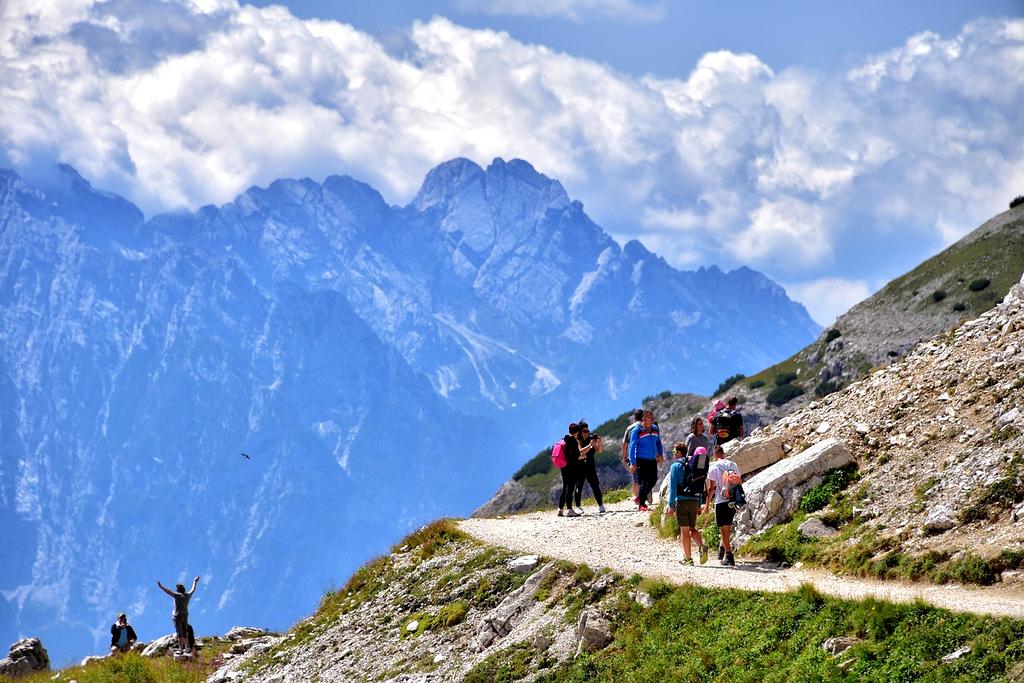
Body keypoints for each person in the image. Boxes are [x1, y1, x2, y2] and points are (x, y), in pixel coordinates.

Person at [667, 443, 709, 565]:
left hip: (682, 501)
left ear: (679, 452)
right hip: (694, 501)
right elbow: (699, 485)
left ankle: (688, 559)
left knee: (684, 531)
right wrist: (699, 504)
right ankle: (702, 546)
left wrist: (671, 505)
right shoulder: (692, 464)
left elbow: (673, 487)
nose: (673, 453)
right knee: (692, 529)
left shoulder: (675, 466)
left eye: (674, 451)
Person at [705, 445, 741, 566]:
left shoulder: (713, 467)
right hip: (732, 500)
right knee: (727, 528)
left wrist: (707, 505)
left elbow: (711, 489)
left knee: (724, 530)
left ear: (715, 455)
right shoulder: (733, 464)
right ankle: (722, 549)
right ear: (723, 454)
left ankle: (729, 556)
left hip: (721, 501)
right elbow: (739, 481)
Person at [628, 410, 663, 512]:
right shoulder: (637, 430)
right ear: (643, 419)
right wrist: (632, 463)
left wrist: (660, 454)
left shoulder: (655, 429)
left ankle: (640, 497)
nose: (651, 421)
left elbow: (658, 443)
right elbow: (632, 447)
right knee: (644, 481)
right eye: (649, 419)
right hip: (641, 459)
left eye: (652, 419)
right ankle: (642, 504)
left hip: (652, 459)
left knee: (653, 479)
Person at [157, 576, 200, 654]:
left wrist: (161, 587)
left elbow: (168, 592)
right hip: (185, 615)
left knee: (179, 633)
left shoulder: (177, 595)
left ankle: (180, 649)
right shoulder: (188, 595)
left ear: (178, 590)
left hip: (177, 616)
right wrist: (195, 581)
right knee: (185, 631)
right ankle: (187, 647)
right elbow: (193, 589)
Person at [574, 421, 606, 514]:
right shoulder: (577, 440)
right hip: (579, 468)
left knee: (595, 486)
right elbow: (580, 452)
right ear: (579, 432)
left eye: (587, 431)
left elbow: (599, 450)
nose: (586, 433)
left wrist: (599, 442)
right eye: (584, 431)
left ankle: (600, 505)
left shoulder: (590, 439)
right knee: (579, 487)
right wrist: (590, 445)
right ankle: (578, 506)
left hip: (590, 467)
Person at [558, 423, 582, 517]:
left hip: (563, 467)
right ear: (577, 432)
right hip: (571, 468)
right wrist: (579, 456)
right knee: (570, 488)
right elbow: (574, 456)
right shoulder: (573, 441)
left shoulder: (564, 439)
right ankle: (569, 510)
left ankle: (560, 509)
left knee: (565, 488)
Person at [620, 409, 644, 501]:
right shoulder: (646, 427)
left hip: (634, 456)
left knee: (636, 478)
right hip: (645, 455)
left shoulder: (629, 428)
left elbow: (625, 445)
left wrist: (624, 457)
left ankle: (637, 497)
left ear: (635, 417)